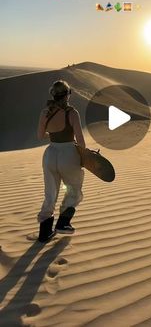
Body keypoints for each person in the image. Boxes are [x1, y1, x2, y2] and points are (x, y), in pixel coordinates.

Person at [37, 80, 85, 242]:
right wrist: (84, 156)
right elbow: (80, 140)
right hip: (68, 154)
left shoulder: (45, 111)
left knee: (50, 193)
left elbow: (40, 135)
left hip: (50, 154)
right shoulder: (72, 113)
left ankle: (44, 233)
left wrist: (54, 133)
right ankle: (62, 224)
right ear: (67, 94)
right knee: (73, 190)